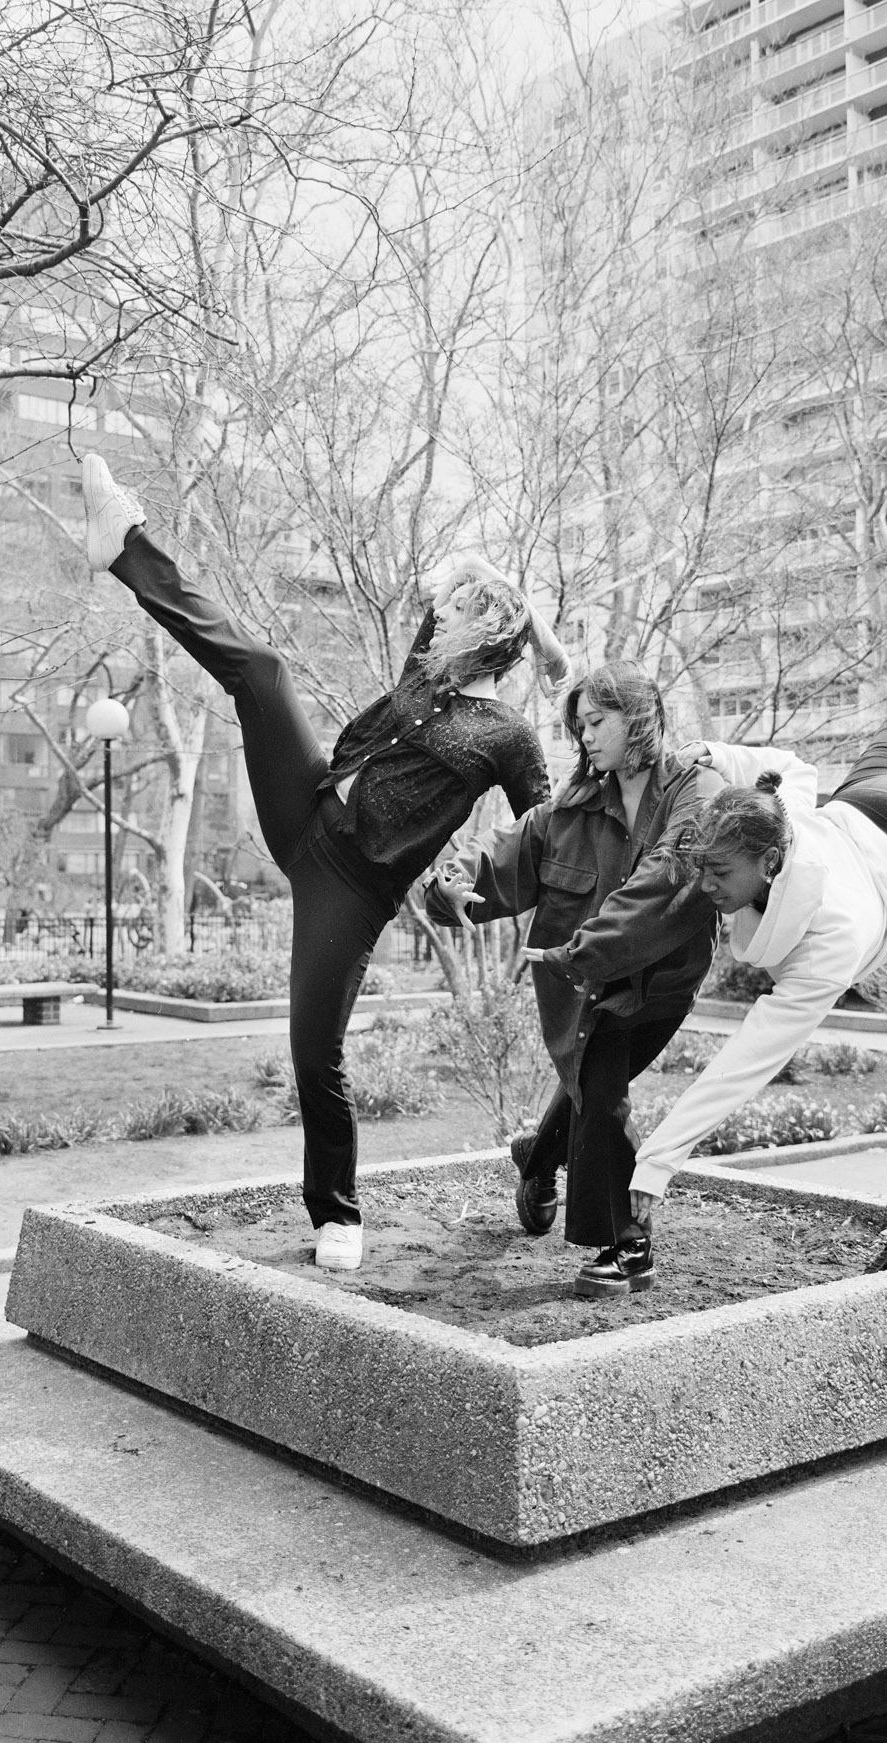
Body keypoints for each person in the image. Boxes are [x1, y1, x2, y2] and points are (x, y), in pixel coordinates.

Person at [78, 454, 567, 1271]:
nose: (441, 621)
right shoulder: (430, 673)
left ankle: (337, 1214)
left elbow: (547, 834)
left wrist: (482, 895)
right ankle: (126, 546)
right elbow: (471, 566)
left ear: (491, 645)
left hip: (350, 883)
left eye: (461, 622)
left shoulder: (511, 737)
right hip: (307, 804)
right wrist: (549, 639)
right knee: (261, 671)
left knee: (315, 1049)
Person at [535, 509, 887, 1278]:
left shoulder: (828, 942)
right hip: (881, 797)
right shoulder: (776, 813)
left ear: (769, 866)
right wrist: (712, 754)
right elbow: (790, 769)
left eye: (718, 878)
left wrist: (658, 1165)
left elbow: (746, 1060)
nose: (706, 889)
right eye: (702, 871)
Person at [426, 664, 724, 1295]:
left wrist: (578, 951)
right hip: (582, 991)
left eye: (597, 722)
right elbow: (508, 845)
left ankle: (577, 1195)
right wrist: (451, 879)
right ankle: (588, 1207)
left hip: (658, 984)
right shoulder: (574, 807)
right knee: (597, 1078)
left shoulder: (698, 792)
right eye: (579, 725)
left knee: (597, 1077)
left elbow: (666, 884)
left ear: (637, 719)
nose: (584, 737)